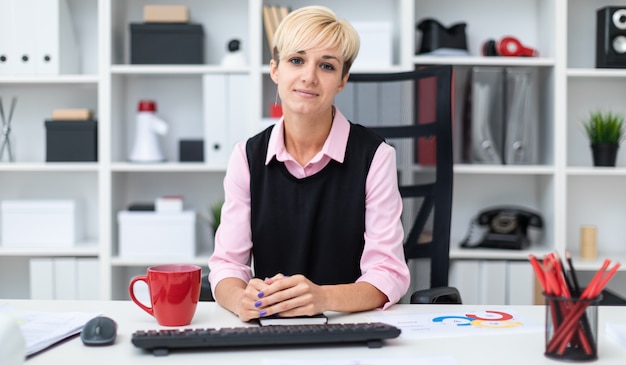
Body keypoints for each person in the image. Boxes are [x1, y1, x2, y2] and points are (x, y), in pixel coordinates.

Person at [208, 5, 410, 322]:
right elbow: (227, 265)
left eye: (327, 66)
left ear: (342, 80)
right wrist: (240, 300)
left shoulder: (375, 156)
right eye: (297, 60)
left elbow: (388, 274)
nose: (309, 76)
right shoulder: (246, 157)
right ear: (275, 69)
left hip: (350, 325)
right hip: (270, 327)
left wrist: (322, 297)